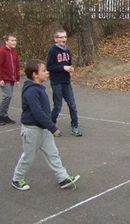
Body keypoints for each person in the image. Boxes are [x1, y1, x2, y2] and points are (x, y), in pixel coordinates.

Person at [11, 59, 80, 191]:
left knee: (53, 154)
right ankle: (17, 179)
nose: (47, 72)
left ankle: (63, 178)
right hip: (32, 130)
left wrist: (48, 127)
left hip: (43, 129)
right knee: (28, 157)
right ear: (35, 74)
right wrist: (52, 127)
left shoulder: (39, 88)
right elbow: (38, 113)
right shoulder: (31, 91)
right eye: (44, 71)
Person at [46, 29, 82, 137]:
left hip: (66, 82)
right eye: (61, 37)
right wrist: (63, 67)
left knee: (72, 105)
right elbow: (50, 67)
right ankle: (51, 127)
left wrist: (70, 70)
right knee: (58, 105)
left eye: (65, 37)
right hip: (56, 82)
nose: (63, 39)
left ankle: (74, 126)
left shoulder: (67, 51)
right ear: (56, 39)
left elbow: (69, 64)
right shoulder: (52, 51)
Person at [0, 33, 20, 125]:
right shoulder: (2, 51)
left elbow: (16, 66)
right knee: (7, 96)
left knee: (9, 97)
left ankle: (4, 115)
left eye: (15, 40)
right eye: (12, 40)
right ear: (6, 41)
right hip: (4, 79)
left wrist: (17, 79)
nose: (14, 42)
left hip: (12, 79)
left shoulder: (14, 52)